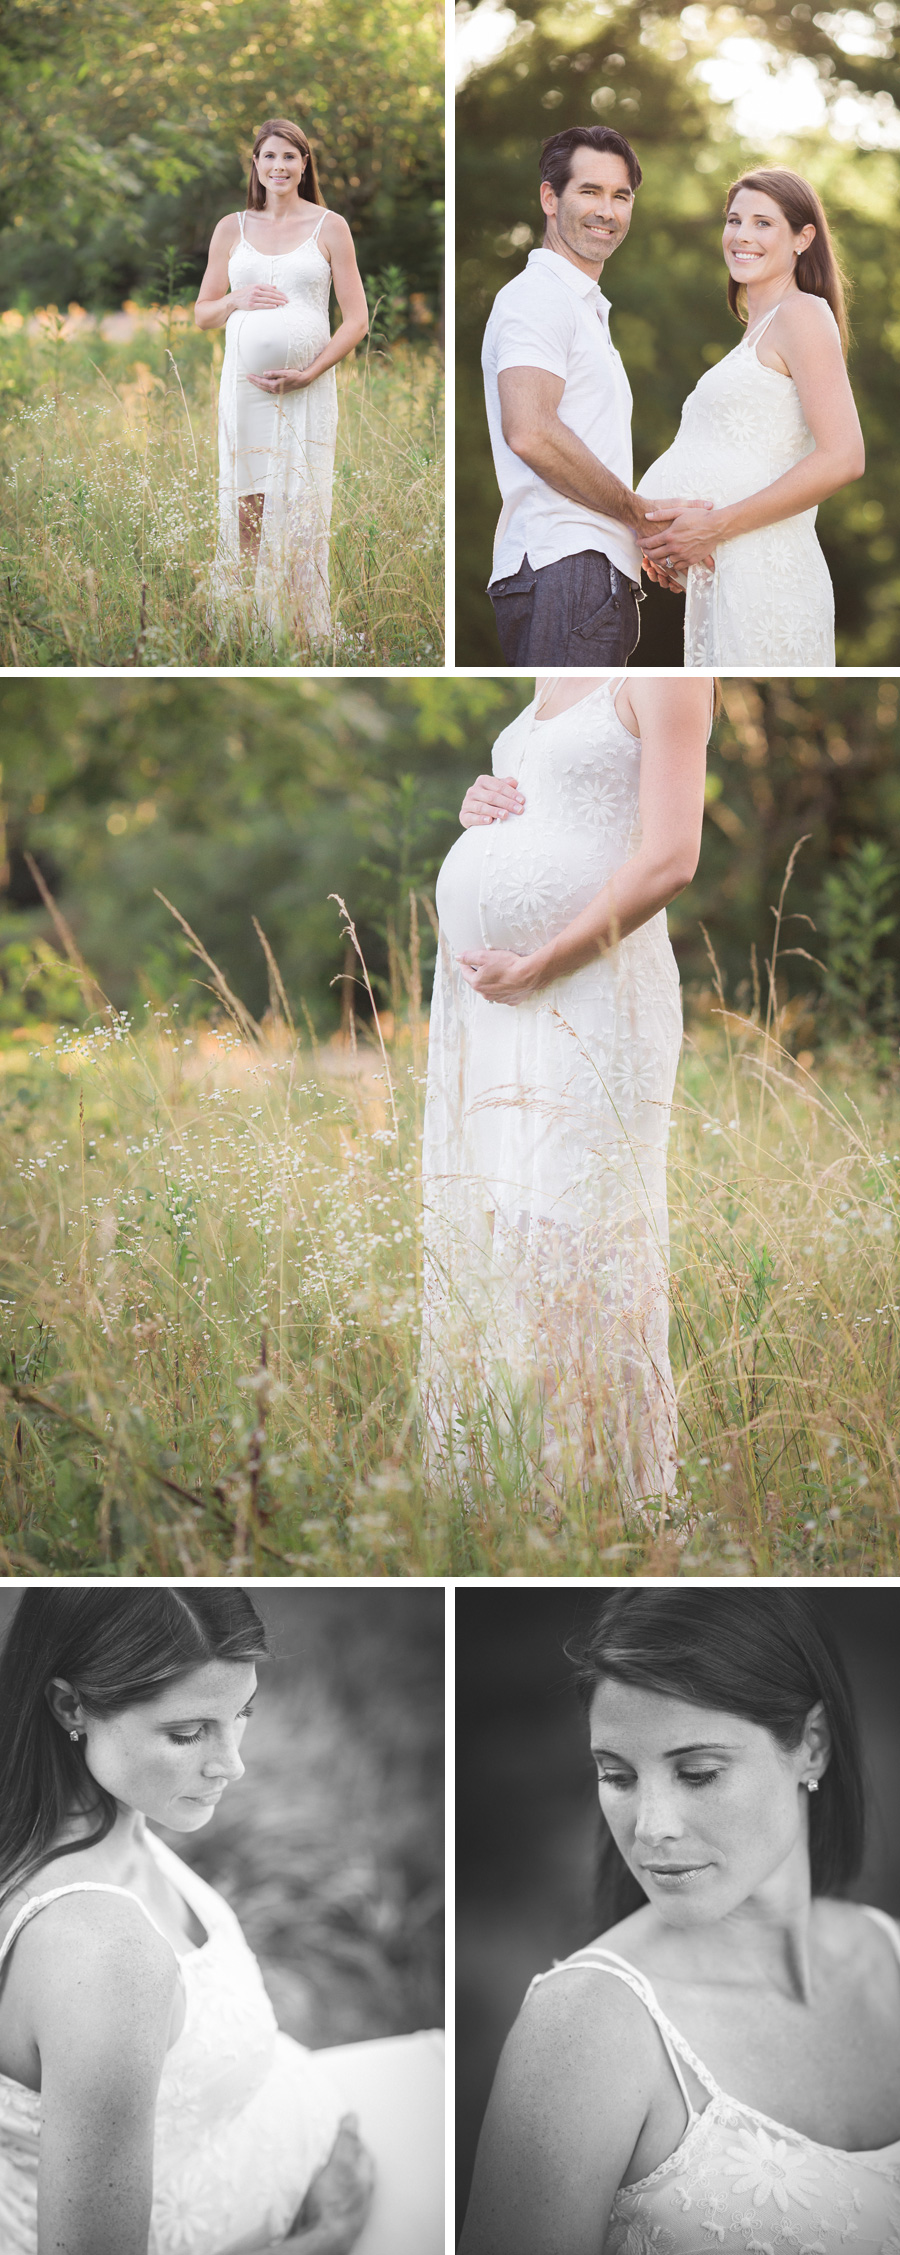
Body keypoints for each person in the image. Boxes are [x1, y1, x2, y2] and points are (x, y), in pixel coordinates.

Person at [0, 1587, 443, 2255]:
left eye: (241, 1712)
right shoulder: (99, 1955)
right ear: (71, 1705)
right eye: (186, 1733)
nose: (231, 1763)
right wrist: (325, 2238)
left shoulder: (103, 1819)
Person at [459, 1587, 900, 2255]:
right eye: (618, 1774)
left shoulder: (890, 1954)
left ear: (811, 1744)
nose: (651, 1828)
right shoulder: (586, 2025)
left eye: (696, 1773)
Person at [419, 670, 711, 1508]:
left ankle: (597, 1495)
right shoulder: (546, 678)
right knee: (505, 1231)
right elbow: (557, 799)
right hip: (499, 1009)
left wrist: (540, 961)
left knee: (579, 1238)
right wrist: (485, 804)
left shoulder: (666, 676)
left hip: (590, 994)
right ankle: (508, 1488)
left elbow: (670, 857)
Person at [480, 126, 695, 667]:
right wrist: (635, 514)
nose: (608, 210)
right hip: (566, 565)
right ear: (551, 199)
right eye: (590, 192)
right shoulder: (537, 298)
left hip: (586, 572)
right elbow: (529, 430)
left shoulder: (582, 307)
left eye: (620, 196)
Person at [638, 169, 865, 665]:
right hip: (729, 570)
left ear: (803, 238)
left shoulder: (801, 315)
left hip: (768, 575)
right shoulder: (756, 332)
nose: (742, 235)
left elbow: (844, 457)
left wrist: (713, 527)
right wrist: (670, 538)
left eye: (764, 223)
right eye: (735, 220)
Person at [195, 119, 369, 649]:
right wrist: (234, 300)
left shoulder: (329, 227)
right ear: (255, 164)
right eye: (269, 156)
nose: (279, 166)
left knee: (297, 504)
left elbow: (357, 320)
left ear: (304, 164)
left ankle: (295, 627)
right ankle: (245, 622)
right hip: (244, 390)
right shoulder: (232, 228)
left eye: (290, 157)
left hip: (306, 390)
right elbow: (203, 313)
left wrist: (310, 371)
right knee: (247, 499)